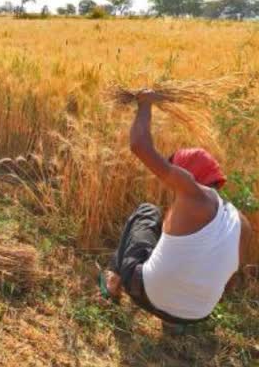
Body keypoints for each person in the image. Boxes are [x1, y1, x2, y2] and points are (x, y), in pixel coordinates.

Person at [101, 90, 252, 327]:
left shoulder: (193, 193)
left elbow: (139, 145)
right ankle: (174, 322)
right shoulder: (242, 223)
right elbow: (229, 280)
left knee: (148, 211)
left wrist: (145, 104)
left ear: (188, 174)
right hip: (196, 316)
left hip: (146, 295)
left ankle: (113, 281)